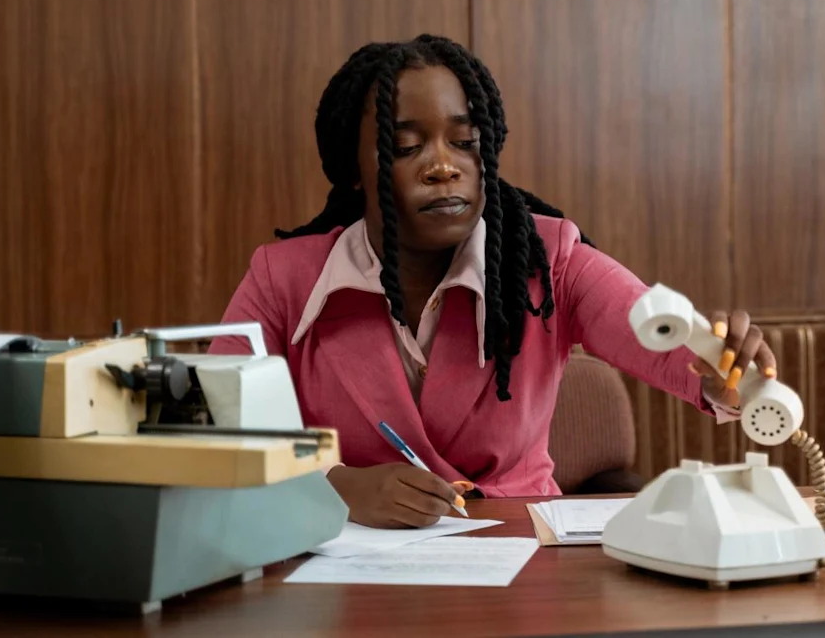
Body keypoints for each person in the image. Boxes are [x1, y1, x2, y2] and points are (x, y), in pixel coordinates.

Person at [209, 34, 777, 529]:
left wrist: (726, 377)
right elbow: (218, 433)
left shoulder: (549, 261)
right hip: (345, 579)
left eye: (465, 142)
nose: (442, 166)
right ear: (353, 172)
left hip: (522, 565)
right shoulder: (284, 279)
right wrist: (333, 485)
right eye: (406, 147)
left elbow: (673, 351)